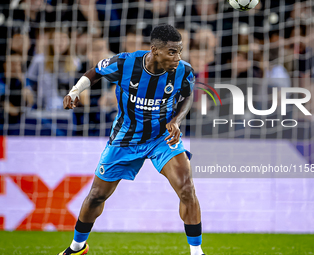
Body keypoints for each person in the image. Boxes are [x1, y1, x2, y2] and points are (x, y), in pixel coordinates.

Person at [58, 24, 205, 255]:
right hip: (125, 138)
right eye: (172, 52)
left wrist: (176, 120)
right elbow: (95, 72)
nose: (178, 57)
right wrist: (75, 91)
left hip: (162, 138)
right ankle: (77, 246)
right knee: (96, 196)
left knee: (187, 189)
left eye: (180, 51)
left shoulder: (183, 71)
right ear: (155, 50)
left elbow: (187, 96)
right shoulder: (125, 63)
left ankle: (197, 252)